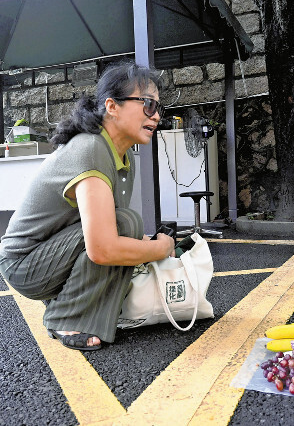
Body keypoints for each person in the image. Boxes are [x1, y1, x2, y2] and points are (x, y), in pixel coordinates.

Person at [0, 60, 175, 351]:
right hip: (24, 265)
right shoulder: (91, 149)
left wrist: (146, 243)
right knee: (126, 226)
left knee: (127, 226)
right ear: (112, 106)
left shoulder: (121, 156)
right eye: (147, 104)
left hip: (50, 255)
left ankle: (73, 305)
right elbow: (103, 247)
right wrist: (160, 249)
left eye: (158, 107)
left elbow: (106, 226)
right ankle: (65, 316)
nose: (156, 116)